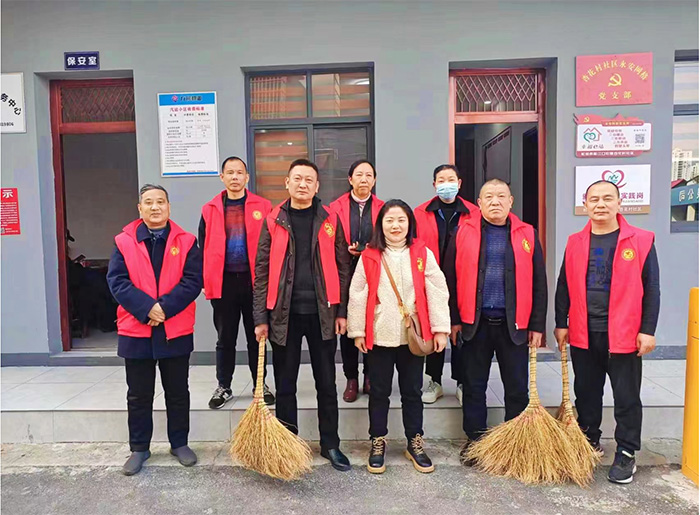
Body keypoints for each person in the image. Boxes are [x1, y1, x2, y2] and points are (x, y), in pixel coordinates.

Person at [554, 179, 660, 485]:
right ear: (585, 205)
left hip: (624, 334)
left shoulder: (641, 240)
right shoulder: (575, 241)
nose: (600, 204)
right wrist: (562, 322)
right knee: (586, 394)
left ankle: (626, 452)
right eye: (594, 200)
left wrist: (648, 330)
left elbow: (652, 289)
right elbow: (564, 285)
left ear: (619, 202)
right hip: (585, 332)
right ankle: (590, 442)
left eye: (607, 199)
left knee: (626, 396)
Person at [253, 159, 353, 471]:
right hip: (284, 315)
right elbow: (261, 271)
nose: (303, 184)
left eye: (309, 179)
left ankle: (330, 444)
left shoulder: (329, 218)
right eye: (297, 179)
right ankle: (288, 444)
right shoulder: (273, 220)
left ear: (317, 186)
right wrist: (260, 318)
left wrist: (342, 311)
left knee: (326, 383)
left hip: (323, 314)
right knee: (285, 384)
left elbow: (342, 267)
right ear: (286, 183)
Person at [443, 179, 547, 463]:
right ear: (478, 203)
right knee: (474, 385)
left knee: (516, 387)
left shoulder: (526, 233)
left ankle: (513, 442)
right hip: (473, 323)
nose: (495, 201)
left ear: (511, 201)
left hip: (513, 326)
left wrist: (537, 325)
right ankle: (475, 441)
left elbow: (539, 281)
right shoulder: (463, 231)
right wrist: (453, 320)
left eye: (501, 196)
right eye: (488, 196)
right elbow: (448, 279)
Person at [347, 199, 450, 474]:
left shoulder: (421, 252)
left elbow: (437, 290)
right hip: (380, 334)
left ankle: (415, 442)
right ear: (381, 224)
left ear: (409, 224)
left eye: (401, 220)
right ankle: (377, 441)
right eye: (390, 220)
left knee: (412, 393)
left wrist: (440, 329)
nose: (395, 225)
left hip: (412, 336)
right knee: (379, 392)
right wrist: (357, 331)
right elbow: (358, 293)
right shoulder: (370, 255)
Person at [107, 184, 202, 476]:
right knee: (138, 394)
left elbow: (192, 281)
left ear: (169, 207)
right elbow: (117, 281)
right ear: (140, 208)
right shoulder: (123, 241)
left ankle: (179, 443)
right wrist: (147, 308)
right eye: (148, 202)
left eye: (160, 202)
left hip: (175, 328)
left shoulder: (186, 241)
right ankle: (139, 448)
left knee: (177, 391)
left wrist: (164, 309)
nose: (155, 207)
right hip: (137, 328)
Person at [199, 156, 274, 409]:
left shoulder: (263, 206)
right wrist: (204, 279)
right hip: (224, 283)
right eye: (229, 173)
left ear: (247, 177)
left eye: (239, 172)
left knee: (257, 336)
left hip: (255, 283)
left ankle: (260, 384)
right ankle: (224, 385)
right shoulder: (209, 209)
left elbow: (272, 245)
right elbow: (203, 247)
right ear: (222, 177)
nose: (234, 177)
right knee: (225, 337)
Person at [414, 164, 478, 404]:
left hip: (463, 279)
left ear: (459, 183)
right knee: (434, 329)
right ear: (434, 185)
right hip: (431, 279)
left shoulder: (473, 213)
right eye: (441, 180)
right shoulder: (421, 213)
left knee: (461, 331)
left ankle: (461, 380)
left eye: (451, 179)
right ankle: (435, 380)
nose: (446, 183)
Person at [329, 159, 384, 402]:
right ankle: (351, 378)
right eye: (359, 175)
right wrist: (345, 251)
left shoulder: (383, 208)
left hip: (374, 274)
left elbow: (388, 238)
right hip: (344, 273)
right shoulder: (335, 207)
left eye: (368, 175)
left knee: (372, 323)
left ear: (374, 180)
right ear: (350, 179)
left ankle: (370, 375)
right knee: (348, 325)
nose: (364, 179)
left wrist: (370, 250)